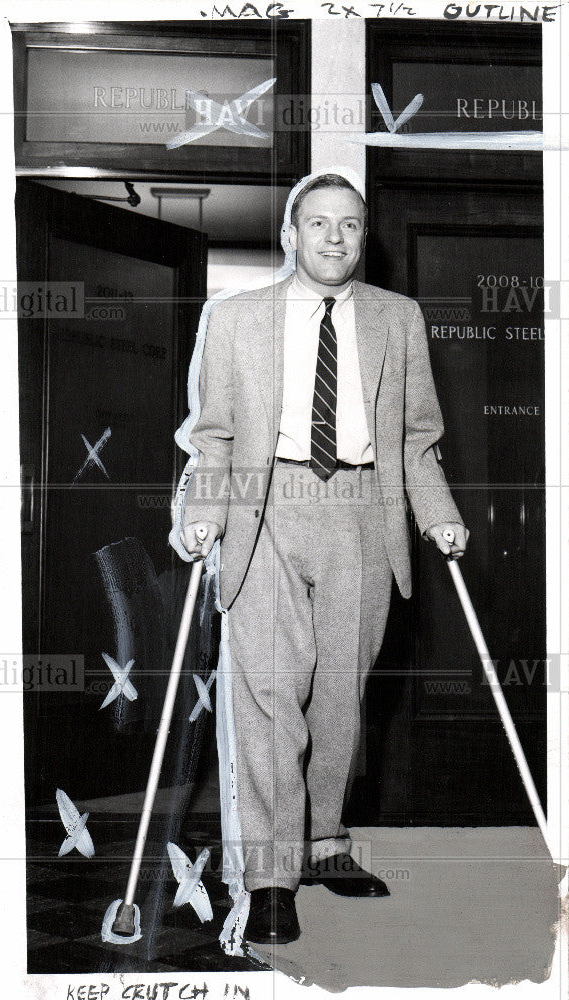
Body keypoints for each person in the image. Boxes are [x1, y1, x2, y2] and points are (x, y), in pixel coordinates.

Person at [177, 172, 469, 945]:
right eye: (318, 224)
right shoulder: (235, 317)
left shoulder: (397, 318)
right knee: (271, 692)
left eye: (349, 225)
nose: (334, 238)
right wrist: (200, 515)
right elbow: (212, 437)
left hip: (364, 515)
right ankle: (273, 876)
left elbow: (416, 439)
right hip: (267, 507)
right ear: (289, 235)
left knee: (340, 697)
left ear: (361, 237)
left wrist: (440, 518)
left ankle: (325, 844)